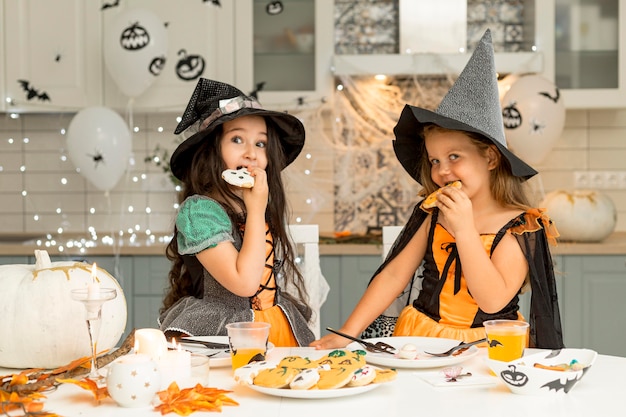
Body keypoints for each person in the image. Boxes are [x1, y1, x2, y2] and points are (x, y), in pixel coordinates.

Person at [311, 29, 564, 350]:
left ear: (489, 157)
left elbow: (492, 301)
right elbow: (392, 277)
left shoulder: (519, 224)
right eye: (434, 160)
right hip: (418, 338)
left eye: (454, 157)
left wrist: (464, 229)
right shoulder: (434, 213)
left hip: (486, 346)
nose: (442, 170)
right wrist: (346, 335)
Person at [158, 78, 315, 347]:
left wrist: (256, 208)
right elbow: (244, 284)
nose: (251, 153)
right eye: (237, 139)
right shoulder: (200, 211)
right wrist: (256, 211)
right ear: (211, 150)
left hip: (273, 326)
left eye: (261, 143)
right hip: (224, 335)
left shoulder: (255, 204)